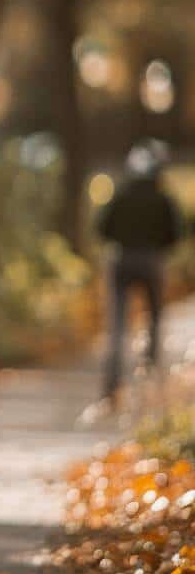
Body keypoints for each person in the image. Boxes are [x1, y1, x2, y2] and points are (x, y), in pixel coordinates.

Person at [97, 139, 184, 404]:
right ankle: (151, 377)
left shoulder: (121, 195)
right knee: (155, 318)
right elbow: (175, 234)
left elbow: (102, 228)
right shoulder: (163, 199)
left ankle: (111, 386)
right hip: (152, 259)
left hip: (121, 258)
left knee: (116, 325)